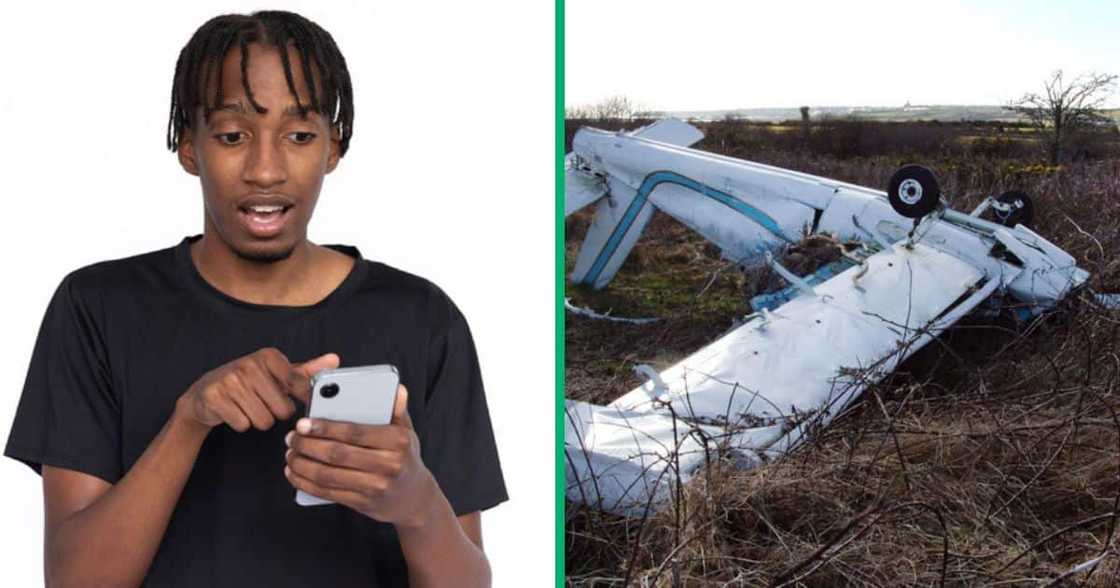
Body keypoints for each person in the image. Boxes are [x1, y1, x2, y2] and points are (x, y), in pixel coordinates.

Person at [3, 10, 506, 587]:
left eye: (298, 135)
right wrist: (189, 420)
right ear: (188, 146)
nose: (265, 170)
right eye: (232, 135)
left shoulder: (423, 320)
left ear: (332, 149)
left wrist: (417, 503)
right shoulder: (96, 308)